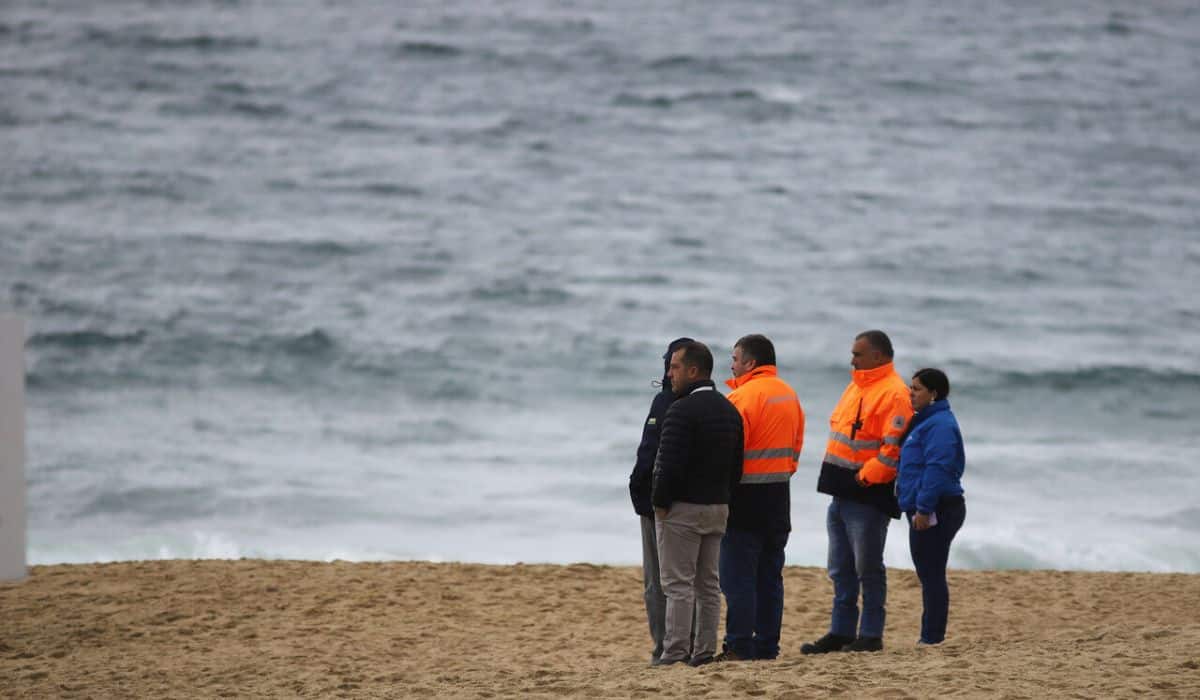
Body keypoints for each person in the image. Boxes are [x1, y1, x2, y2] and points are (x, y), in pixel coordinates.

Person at [801, 330, 912, 654]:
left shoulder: (894, 393)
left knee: (868, 568)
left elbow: (893, 450)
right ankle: (841, 631)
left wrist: (864, 479)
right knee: (840, 568)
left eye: (858, 354)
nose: (852, 359)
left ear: (878, 356)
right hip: (841, 491)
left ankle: (871, 635)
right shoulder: (857, 385)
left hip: (868, 496)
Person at [650, 341, 744, 667]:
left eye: (675, 367)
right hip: (717, 507)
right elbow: (737, 466)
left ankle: (675, 652)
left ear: (693, 371)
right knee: (708, 584)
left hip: (684, 508)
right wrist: (724, 497)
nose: (669, 374)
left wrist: (659, 503)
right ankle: (703, 651)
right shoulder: (729, 409)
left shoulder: (680, 410)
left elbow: (668, 465)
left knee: (677, 584)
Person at [716, 334, 805, 662]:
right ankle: (768, 646)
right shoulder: (790, 395)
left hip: (744, 498)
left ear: (751, 363)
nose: (732, 364)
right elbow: (796, 448)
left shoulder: (741, 398)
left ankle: (738, 646)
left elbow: (730, 453)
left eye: (736, 358)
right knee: (770, 576)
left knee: (737, 578)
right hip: (779, 494)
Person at [628, 337, 695, 663]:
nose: (669, 372)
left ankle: (666, 648)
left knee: (660, 583)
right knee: (689, 580)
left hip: (661, 504)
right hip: (689, 502)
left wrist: (641, 493)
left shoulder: (667, 403)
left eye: (673, 366)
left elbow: (651, 455)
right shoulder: (705, 403)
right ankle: (685, 645)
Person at [897, 368, 966, 646]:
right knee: (928, 573)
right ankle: (930, 635)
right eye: (910, 387)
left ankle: (931, 637)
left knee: (932, 573)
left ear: (933, 393)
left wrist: (924, 509)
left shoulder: (940, 425)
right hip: (922, 507)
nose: (910, 393)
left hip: (938, 508)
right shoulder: (925, 421)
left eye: (917, 389)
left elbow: (937, 468)